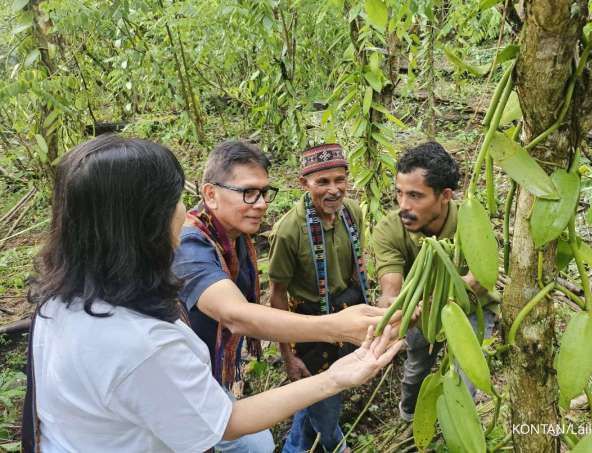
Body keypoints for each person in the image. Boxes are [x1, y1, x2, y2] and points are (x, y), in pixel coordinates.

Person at [24, 135, 402, 453]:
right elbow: (237, 319)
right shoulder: (149, 337)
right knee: (255, 443)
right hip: (183, 403)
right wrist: (335, 342)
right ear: (147, 221)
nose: (183, 212)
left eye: (264, 192)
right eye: (175, 200)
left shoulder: (61, 301)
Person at [172, 140, 395, 452]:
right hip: (185, 380)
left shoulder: (234, 239)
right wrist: (333, 329)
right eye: (248, 192)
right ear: (210, 194)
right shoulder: (192, 246)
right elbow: (236, 315)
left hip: (212, 370)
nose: (261, 203)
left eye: (264, 192)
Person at [371, 141, 498, 422]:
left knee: (467, 378)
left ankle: (458, 427)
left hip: (472, 309)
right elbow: (391, 287)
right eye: (399, 194)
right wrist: (395, 307)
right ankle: (409, 418)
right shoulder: (389, 231)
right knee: (416, 370)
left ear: (445, 195)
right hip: (420, 313)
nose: (404, 206)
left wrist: (435, 297)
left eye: (415, 196)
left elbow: (478, 280)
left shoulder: (472, 222)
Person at [268, 144, 368, 453]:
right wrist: (288, 355)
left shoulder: (351, 213)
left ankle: (295, 447)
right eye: (322, 182)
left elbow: (356, 270)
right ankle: (335, 445)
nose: (333, 190)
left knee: (319, 392)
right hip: (308, 325)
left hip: (344, 312)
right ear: (304, 183)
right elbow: (278, 295)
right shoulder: (289, 232)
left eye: (340, 180)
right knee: (323, 394)